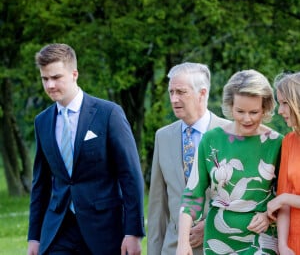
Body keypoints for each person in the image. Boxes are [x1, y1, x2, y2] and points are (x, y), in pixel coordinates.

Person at [27, 43, 145, 255]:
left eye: (56, 77)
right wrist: (34, 237)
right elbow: (40, 183)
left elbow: (130, 175)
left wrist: (133, 232)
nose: (50, 85)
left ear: (74, 74)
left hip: (104, 229)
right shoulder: (42, 121)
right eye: (45, 79)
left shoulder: (109, 113)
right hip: (58, 229)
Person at [177, 69, 283, 255]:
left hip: (261, 239)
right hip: (218, 239)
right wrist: (182, 242)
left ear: (265, 108)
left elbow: (285, 195)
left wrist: (268, 216)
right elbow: (192, 195)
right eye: (240, 111)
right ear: (230, 106)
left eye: (254, 112)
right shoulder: (211, 140)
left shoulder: (277, 143)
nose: (247, 118)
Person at [147, 62, 229, 255]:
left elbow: (242, 199)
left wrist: (209, 225)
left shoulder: (229, 134)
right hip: (172, 248)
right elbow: (158, 206)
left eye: (181, 92)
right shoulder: (163, 136)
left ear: (202, 93)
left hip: (219, 247)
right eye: (171, 92)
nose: (174, 99)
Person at [267, 72, 300, 255]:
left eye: (285, 103)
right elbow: (283, 198)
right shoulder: (288, 141)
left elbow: (284, 199)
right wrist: (283, 246)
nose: (280, 111)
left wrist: (285, 198)